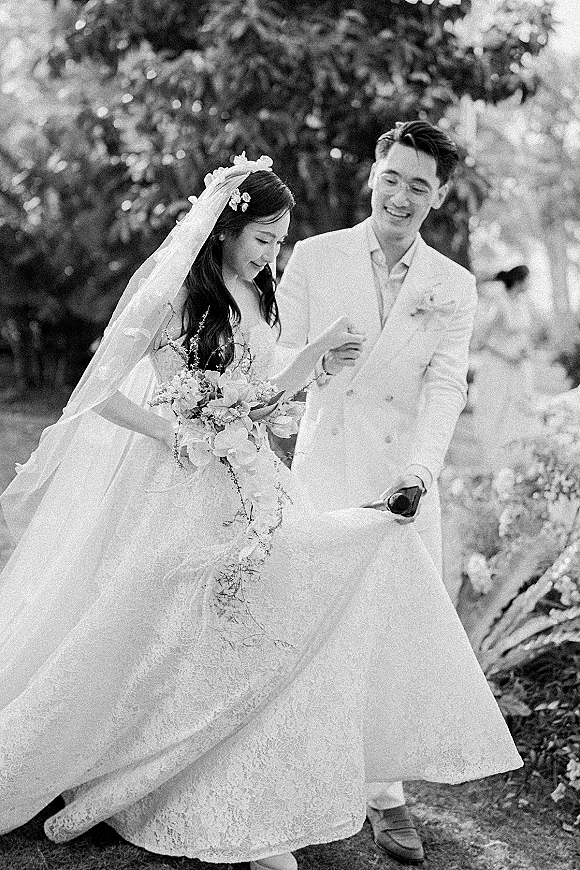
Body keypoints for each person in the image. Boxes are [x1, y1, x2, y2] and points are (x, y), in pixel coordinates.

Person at [0, 155, 522, 870]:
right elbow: (100, 393)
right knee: (162, 636)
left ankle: (256, 798)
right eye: (265, 238)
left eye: (280, 241)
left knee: (266, 624)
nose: (273, 252)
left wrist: (316, 353)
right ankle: (118, 761)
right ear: (226, 229)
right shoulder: (181, 297)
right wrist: (175, 432)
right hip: (181, 488)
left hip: (252, 484)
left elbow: (264, 396)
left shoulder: (259, 295)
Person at [275, 120, 478, 864]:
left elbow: (446, 384)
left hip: (401, 478)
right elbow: (276, 365)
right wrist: (321, 364)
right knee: (313, 621)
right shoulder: (314, 255)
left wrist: (420, 472)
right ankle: (300, 782)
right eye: (392, 177)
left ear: (440, 196)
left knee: (389, 631)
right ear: (373, 173)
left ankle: (385, 795)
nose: (401, 195)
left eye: (420, 185)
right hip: (326, 465)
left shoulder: (452, 284)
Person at [472, 265, 535, 471]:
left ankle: (514, 460)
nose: (530, 283)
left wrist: (525, 350)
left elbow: (523, 333)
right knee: (496, 411)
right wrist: (507, 354)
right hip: (498, 366)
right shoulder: (498, 303)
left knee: (518, 411)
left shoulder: (523, 303)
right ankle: (492, 461)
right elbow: (481, 340)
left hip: (519, 369)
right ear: (518, 281)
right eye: (527, 279)